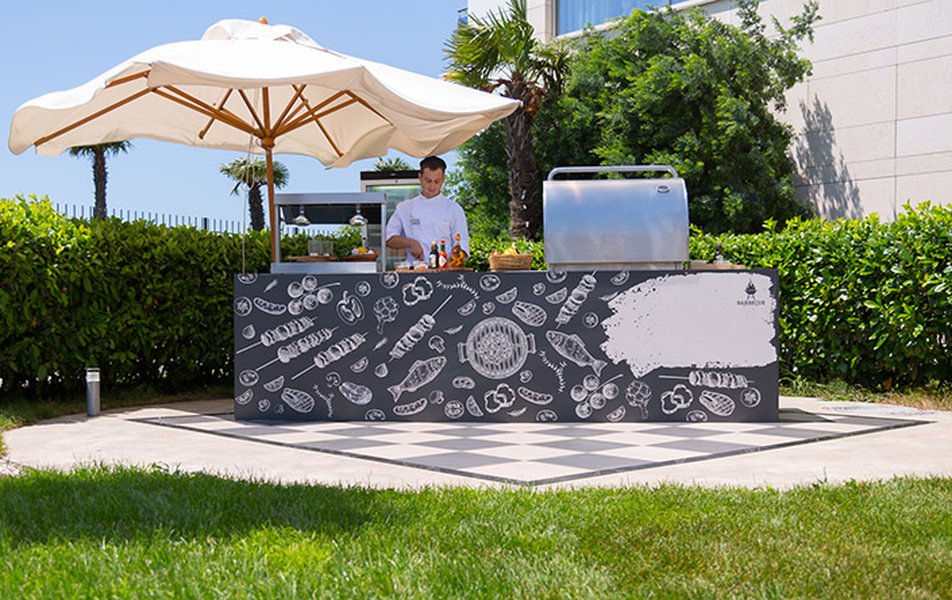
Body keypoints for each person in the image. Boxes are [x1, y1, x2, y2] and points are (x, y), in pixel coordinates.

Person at [385, 156, 469, 265]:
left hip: (445, 270)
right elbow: (389, 239)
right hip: (414, 268)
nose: (432, 186)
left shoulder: (454, 209)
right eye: (428, 181)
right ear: (420, 177)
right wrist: (411, 243)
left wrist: (449, 264)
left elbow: (462, 246)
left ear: (443, 179)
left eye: (437, 181)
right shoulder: (405, 208)